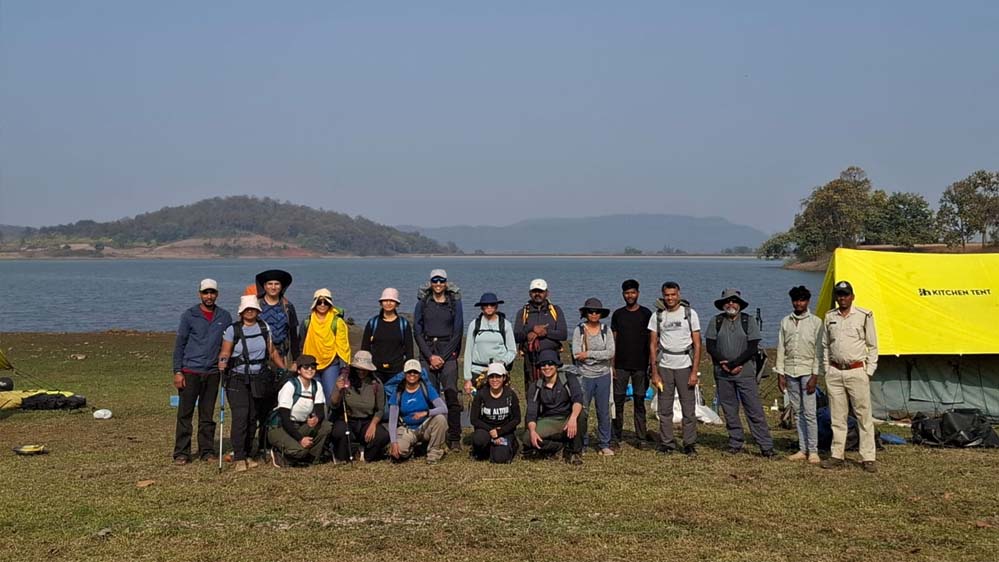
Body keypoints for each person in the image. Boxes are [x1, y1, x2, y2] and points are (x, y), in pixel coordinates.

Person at [218, 295, 286, 472]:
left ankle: (248, 453)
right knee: (241, 416)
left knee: (252, 417)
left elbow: (272, 352)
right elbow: (225, 351)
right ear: (241, 311)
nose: (250, 311)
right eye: (247, 309)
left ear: (257, 310)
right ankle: (239, 457)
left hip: (258, 378)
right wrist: (223, 362)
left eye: (253, 309)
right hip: (237, 378)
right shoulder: (233, 330)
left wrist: (285, 370)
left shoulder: (264, 327)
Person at [704, 288, 775, 457]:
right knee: (729, 409)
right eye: (727, 301)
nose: (731, 304)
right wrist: (723, 362)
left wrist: (737, 364)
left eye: (734, 301)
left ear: (739, 304)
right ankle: (735, 441)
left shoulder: (748, 320)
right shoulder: (716, 321)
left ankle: (765, 445)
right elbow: (710, 344)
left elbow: (753, 345)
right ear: (723, 304)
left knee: (754, 409)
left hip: (745, 372)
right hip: (722, 373)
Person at [172, 279, 233, 465]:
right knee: (185, 414)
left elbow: (228, 344)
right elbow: (180, 344)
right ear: (200, 294)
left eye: (212, 293)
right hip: (190, 371)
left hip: (213, 372)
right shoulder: (189, 315)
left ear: (217, 294)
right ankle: (182, 452)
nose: (209, 296)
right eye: (205, 292)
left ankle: (207, 451)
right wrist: (178, 371)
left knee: (207, 415)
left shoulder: (224, 316)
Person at [820, 280, 879, 473]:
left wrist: (868, 370)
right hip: (835, 372)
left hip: (856, 370)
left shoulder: (863, 315)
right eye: (839, 294)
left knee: (863, 415)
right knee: (837, 417)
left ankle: (868, 457)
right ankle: (837, 454)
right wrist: (827, 368)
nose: (842, 298)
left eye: (845, 294)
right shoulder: (829, 317)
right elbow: (825, 345)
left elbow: (872, 346)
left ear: (852, 296)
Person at [648, 281, 702, 457]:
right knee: (665, 407)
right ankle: (667, 443)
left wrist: (694, 371)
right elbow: (652, 344)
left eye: (673, 294)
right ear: (663, 295)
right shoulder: (658, 316)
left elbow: (698, 344)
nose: (670, 298)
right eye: (667, 295)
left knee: (688, 408)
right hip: (664, 366)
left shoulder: (689, 313)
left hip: (685, 365)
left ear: (678, 294)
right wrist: (654, 372)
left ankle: (689, 443)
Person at [413, 269, 464, 450]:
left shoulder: (454, 302)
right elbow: (417, 331)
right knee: (429, 396)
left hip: (447, 354)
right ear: (430, 282)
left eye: (441, 281)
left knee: (451, 394)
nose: (438, 284)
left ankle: (455, 436)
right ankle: (431, 436)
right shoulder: (423, 302)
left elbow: (458, 332)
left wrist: (442, 357)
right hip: (428, 353)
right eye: (435, 280)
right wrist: (430, 356)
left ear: (446, 282)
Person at [775, 285, 823, 464]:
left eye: (802, 300)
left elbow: (818, 351)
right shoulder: (785, 321)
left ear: (808, 301)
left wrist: (815, 375)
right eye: (795, 300)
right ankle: (802, 449)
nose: (798, 303)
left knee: (810, 413)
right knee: (797, 412)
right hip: (790, 370)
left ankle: (814, 451)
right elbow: (781, 348)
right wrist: (780, 373)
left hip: (807, 372)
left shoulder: (816, 322)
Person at [521, 349, 587, 465]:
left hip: (567, 417)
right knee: (527, 438)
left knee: (581, 415)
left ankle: (575, 452)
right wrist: (532, 431)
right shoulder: (535, 386)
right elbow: (531, 412)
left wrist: (572, 418)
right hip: (549, 420)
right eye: (543, 364)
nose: (547, 367)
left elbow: (578, 399)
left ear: (556, 365)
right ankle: (558, 447)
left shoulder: (568, 378)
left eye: (550, 363)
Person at [266, 354, 333, 467]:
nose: (310, 370)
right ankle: (279, 454)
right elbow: (284, 418)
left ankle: (311, 458)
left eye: (313, 367)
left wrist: (317, 418)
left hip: (301, 425)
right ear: (298, 370)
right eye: (306, 367)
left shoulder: (317, 386)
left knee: (326, 426)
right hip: (281, 427)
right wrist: (300, 439)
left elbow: (320, 411)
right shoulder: (290, 386)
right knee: (300, 451)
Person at [610, 279, 653, 449]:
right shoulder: (618, 314)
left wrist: (651, 364)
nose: (630, 296)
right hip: (620, 365)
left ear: (638, 294)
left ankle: (641, 437)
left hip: (641, 366)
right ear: (623, 294)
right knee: (618, 400)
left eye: (633, 292)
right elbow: (614, 340)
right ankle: (615, 436)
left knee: (639, 401)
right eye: (627, 293)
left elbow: (652, 341)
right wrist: (612, 366)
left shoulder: (646, 314)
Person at [572, 297, 616, 456]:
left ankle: (604, 443)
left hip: (603, 375)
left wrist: (589, 354)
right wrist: (598, 356)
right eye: (590, 311)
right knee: (582, 411)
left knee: (603, 411)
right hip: (584, 376)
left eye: (597, 312)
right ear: (585, 313)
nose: (594, 314)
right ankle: (581, 443)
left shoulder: (606, 330)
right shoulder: (579, 330)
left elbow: (610, 353)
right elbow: (576, 354)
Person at [329, 350, 391, 463]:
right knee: (340, 432)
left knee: (382, 435)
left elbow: (380, 409)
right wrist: (338, 390)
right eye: (358, 368)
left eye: (364, 369)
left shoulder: (376, 384)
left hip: (366, 421)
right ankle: (340, 454)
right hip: (347, 420)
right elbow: (334, 404)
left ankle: (365, 455)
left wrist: (373, 424)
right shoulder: (343, 380)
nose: (361, 371)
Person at [388, 359, 448, 464]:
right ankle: (414, 449)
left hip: (425, 427)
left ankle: (434, 453)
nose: (412, 374)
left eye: (415, 372)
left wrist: (426, 413)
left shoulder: (426, 388)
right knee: (399, 452)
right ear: (404, 374)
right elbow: (392, 421)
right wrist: (393, 442)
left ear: (420, 374)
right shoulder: (398, 392)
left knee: (440, 419)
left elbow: (444, 409)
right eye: (409, 372)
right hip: (407, 429)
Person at [513, 279, 568, 396]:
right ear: (530, 293)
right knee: (532, 391)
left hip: (552, 358)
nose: (537, 294)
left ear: (547, 293)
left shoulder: (556, 311)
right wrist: (532, 329)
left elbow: (563, 334)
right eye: (534, 291)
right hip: (531, 360)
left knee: (553, 390)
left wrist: (545, 332)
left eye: (540, 291)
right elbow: (516, 336)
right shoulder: (523, 312)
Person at [300, 288, 351, 402]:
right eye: (319, 302)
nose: (322, 305)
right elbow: (301, 343)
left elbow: (343, 346)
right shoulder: (307, 321)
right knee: (313, 395)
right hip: (311, 363)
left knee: (331, 395)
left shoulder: (337, 322)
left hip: (331, 363)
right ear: (314, 304)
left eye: (326, 302)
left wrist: (345, 366)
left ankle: (330, 418)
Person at [463, 292, 517, 394]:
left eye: (492, 305)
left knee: (498, 404)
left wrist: (503, 362)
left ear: (496, 306)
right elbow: (468, 351)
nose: (489, 307)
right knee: (478, 404)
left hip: (499, 372)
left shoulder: (506, 325)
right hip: (477, 371)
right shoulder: (474, 325)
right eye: (486, 305)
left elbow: (512, 350)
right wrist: (467, 378)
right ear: (481, 307)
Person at [469, 362, 521, 463]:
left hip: (504, 431)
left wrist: (500, 432)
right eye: (491, 377)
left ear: (504, 378)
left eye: (498, 376)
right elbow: (474, 419)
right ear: (488, 378)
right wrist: (491, 431)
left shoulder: (510, 394)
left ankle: (509, 445)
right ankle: (485, 449)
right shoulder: (481, 395)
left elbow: (517, 419)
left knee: (500, 458)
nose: (495, 380)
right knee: (479, 440)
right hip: (486, 430)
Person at [361, 288, 415, 385]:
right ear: (381, 303)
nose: (388, 303)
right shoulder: (373, 323)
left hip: (397, 371)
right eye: (385, 300)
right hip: (375, 370)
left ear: (397, 304)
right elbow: (365, 348)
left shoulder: (403, 324)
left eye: (392, 301)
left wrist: (408, 371)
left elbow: (409, 351)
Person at [253, 269, 300, 364]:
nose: (273, 287)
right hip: (259, 354)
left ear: (281, 286)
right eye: (270, 284)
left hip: (283, 355)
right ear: (264, 286)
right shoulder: (255, 305)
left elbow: (293, 334)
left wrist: (296, 360)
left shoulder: (288, 307)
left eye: (277, 284)